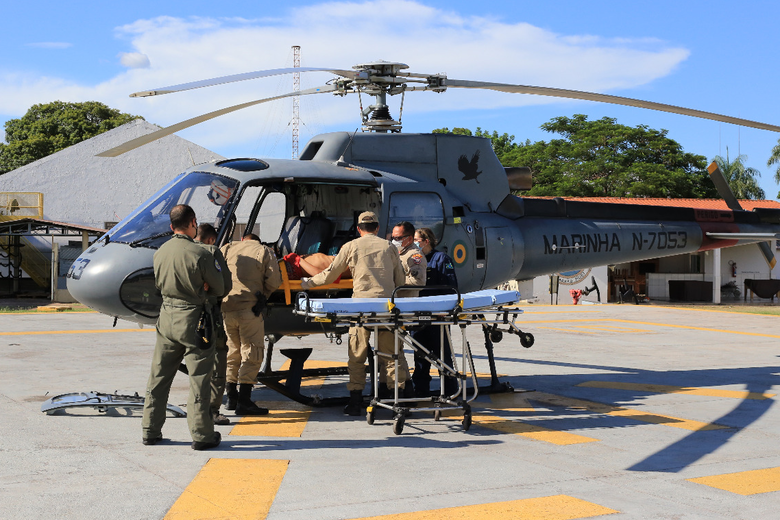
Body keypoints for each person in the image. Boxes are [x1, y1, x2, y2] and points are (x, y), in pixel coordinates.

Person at [301, 211, 409, 416]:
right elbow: (401, 281)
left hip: (360, 309)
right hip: (386, 308)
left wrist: (308, 283)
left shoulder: (350, 246)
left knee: (357, 356)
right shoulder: (389, 247)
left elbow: (330, 274)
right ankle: (398, 403)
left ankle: (355, 402)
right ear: (377, 228)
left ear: (359, 229)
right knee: (391, 356)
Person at [141, 204, 224, 451]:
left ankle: (150, 430)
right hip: (195, 320)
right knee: (199, 378)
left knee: (159, 376)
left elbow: (158, 285)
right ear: (193, 223)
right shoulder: (202, 253)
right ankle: (201, 435)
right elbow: (220, 288)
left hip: (166, 319)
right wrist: (204, 288)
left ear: (170, 226)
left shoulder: (160, 252)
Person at [221, 233, 282, 416]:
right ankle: (245, 401)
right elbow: (274, 281)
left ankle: (231, 396)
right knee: (252, 351)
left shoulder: (228, 248)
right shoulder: (264, 251)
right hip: (249, 309)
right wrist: (263, 295)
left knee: (232, 351)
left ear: (243, 239)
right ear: (257, 240)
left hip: (226, 308)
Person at [410, 227, 459, 397]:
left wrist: (444, 311)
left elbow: (451, 287)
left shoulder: (441, 259)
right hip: (418, 316)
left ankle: (450, 390)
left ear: (426, 241)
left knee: (442, 355)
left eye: (417, 240)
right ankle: (420, 390)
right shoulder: (414, 259)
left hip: (437, 317)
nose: (414, 243)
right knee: (420, 356)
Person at [194, 223, 232, 425]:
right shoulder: (211, 252)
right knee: (218, 360)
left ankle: (194, 408)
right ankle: (212, 411)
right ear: (210, 239)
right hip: (208, 317)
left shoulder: (176, 250)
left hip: (181, 316)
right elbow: (224, 287)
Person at [391, 221, 427, 296]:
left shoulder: (414, 255)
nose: (394, 241)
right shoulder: (397, 251)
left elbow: (418, 282)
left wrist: (395, 280)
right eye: (393, 237)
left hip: (406, 303)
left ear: (410, 239)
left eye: (398, 238)